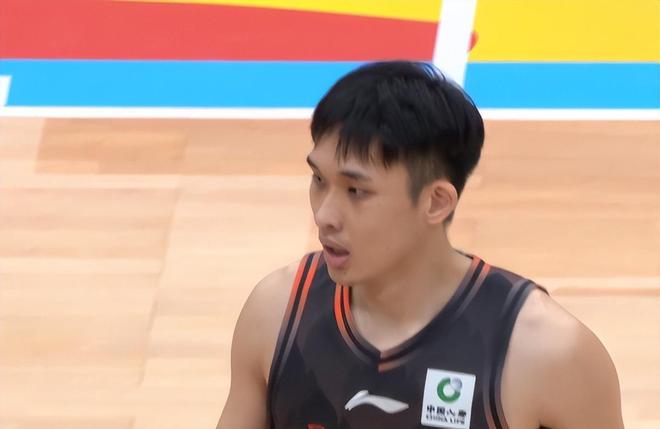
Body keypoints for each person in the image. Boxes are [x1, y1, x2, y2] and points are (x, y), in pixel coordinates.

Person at [216, 61, 623, 429]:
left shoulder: (548, 354)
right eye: (319, 180)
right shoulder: (276, 312)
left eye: (356, 190)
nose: (324, 215)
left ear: (436, 202)